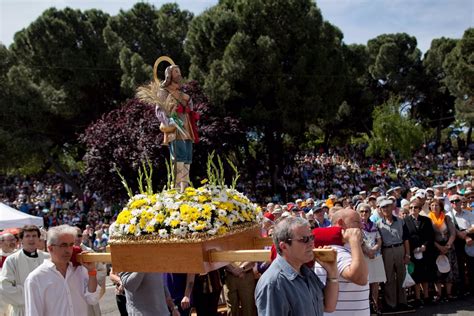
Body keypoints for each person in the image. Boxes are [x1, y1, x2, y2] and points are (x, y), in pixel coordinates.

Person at [255, 217, 339, 316]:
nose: (311, 243)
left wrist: (332, 274)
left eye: (312, 237)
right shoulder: (274, 284)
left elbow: (329, 306)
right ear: (284, 246)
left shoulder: (305, 272)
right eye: (304, 239)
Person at [24, 225, 101, 315]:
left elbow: (93, 299)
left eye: (71, 245)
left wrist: (92, 271)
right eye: (63, 245)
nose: (68, 250)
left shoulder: (80, 269)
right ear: (50, 248)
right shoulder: (36, 279)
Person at [314, 208, 370, 316]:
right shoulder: (335, 249)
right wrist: (354, 241)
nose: (362, 226)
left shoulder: (346, 248)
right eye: (357, 222)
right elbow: (360, 277)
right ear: (340, 223)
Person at [156, 65, 199, 192]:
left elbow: (190, 109)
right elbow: (160, 110)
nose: (179, 74)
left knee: (187, 159)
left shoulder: (184, 95)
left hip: (187, 128)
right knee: (179, 158)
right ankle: (176, 190)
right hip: (176, 129)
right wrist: (169, 121)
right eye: (176, 72)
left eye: (179, 71)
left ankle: (184, 189)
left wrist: (189, 104)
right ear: (169, 75)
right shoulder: (163, 93)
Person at [0, 225, 49, 316]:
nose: (31, 239)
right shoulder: (12, 260)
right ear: (21, 240)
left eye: (34, 236)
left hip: (45, 309)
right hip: (22, 311)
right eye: (27, 236)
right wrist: (32, 295)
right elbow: (5, 288)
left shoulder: (48, 258)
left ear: (39, 239)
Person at [377, 199, 412, 312]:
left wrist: (407, 254)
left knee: (402, 275)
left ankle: (402, 302)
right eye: (383, 208)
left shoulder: (400, 221)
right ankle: (391, 303)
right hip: (386, 251)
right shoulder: (378, 224)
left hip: (400, 248)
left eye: (388, 206)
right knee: (389, 277)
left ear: (392, 207)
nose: (386, 209)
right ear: (381, 210)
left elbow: (406, 239)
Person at [404, 200, 436, 307]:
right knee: (416, 276)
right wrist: (412, 249)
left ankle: (426, 296)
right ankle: (417, 298)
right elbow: (406, 238)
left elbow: (430, 235)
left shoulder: (426, 220)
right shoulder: (405, 221)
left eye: (416, 207)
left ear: (420, 209)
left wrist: (424, 246)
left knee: (425, 275)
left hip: (425, 251)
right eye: (411, 208)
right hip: (412, 252)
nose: (413, 209)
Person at [428, 198, 459, 301]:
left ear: (441, 206)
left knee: (449, 269)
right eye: (432, 205)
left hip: (448, 247)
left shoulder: (446, 218)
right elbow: (429, 237)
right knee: (437, 271)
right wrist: (439, 247)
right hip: (435, 248)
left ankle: (449, 293)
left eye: (436, 205)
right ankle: (439, 294)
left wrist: (447, 246)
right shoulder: (428, 219)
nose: (434, 207)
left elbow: (453, 233)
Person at [357, 203, 385, 314]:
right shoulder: (357, 226)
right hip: (364, 257)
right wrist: (368, 252)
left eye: (366, 211)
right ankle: (366, 305)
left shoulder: (374, 225)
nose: (364, 213)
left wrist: (374, 250)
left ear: (369, 213)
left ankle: (375, 304)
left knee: (375, 282)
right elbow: (360, 242)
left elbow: (379, 240)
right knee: (366, 282)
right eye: (362, 211)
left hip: (376, 256)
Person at [446, 194, 474, 297]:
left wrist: (466, 233)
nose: (454, 203)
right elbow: (452, 229)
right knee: (460, 266)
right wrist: (464, 236)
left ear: (460, 201)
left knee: (472, 265)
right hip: (458, 241)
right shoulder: (448, 215)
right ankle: (462, 289)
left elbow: (473, 225)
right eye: (452, 202)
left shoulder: (468, 213)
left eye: (456, 201)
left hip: (470, 239)